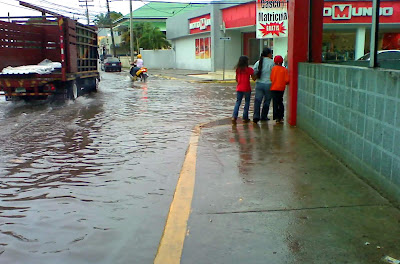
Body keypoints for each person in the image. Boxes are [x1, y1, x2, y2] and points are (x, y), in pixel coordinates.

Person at [252, 47, 275, 123]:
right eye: (271, 53)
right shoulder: (272, 62)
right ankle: (264, 116)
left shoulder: (258, 62)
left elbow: (254, 72)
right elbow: (274, 74)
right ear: (268, 54)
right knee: (267, 101)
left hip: (259, 84)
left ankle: (256, 116)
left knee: (258, 100)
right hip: (269, 84)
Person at [232, 55, 254, 123]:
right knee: (247, 103)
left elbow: (236, 79)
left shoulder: (237, 69)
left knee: (238, 102)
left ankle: (234, 117)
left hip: (239, 88)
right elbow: (253, 77)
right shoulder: (249, 69)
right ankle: (245, 117)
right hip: (247, 88)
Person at [270, 55, 289, 123]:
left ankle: (276, 117)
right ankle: (281, 116)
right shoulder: (285, 70)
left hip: (273, 88)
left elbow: (271, 78)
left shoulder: (273, 69)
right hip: (281, 88)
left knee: (275, 103)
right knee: (280, 102)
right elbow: (287, 80)